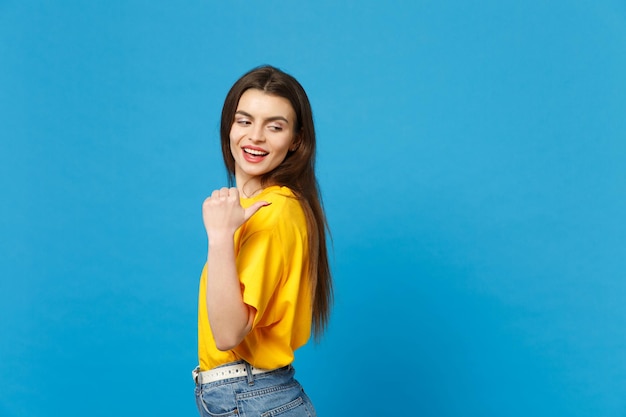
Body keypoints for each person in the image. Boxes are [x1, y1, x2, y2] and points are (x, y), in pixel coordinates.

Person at [193, 65, 333, 417]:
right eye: (244, 121)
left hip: (252, 399)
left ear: (296, 139)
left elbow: (227, 334)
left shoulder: (272, 213)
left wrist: (220, 237)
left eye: (275, 126)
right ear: (229, 126)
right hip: (253, 398)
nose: (255, 137)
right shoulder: (272, 209)